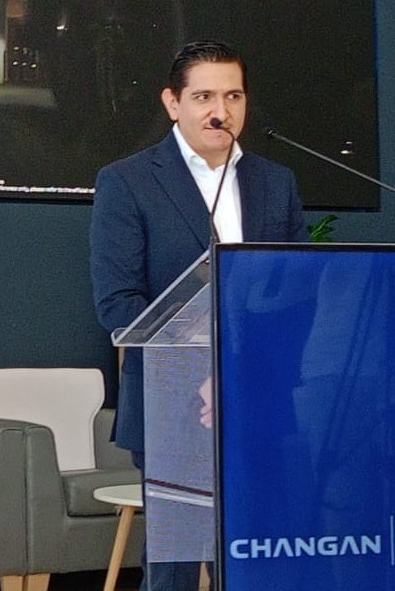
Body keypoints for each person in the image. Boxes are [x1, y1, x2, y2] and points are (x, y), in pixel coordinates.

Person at [90, 40, 306, 591]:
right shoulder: (129, 181)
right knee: (175, 574)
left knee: (263, 563)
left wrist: (243, 374)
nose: (221, 110)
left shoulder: (275, 182)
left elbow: (295, 295)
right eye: (204, 96)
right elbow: (119, 303)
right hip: (174, 410)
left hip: (259, 401)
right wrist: (203, 375)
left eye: (233, 96)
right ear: (172, 103)